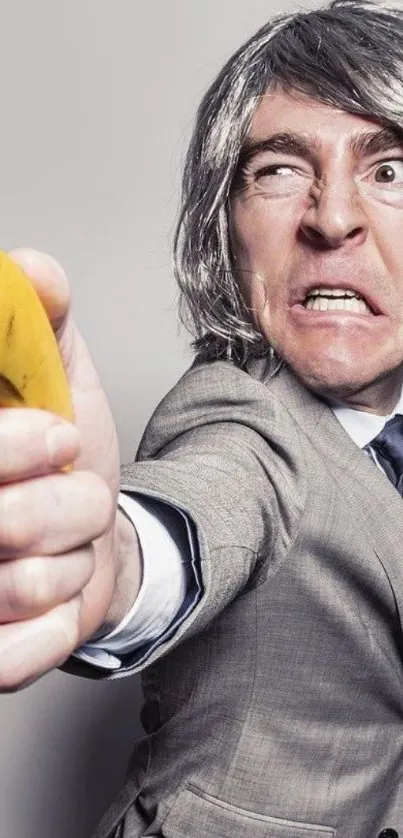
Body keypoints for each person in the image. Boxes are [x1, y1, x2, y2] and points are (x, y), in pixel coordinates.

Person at [2, 0, 403, 835]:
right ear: (224, 226)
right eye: (279, 170)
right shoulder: (237, 420)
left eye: (389, 171)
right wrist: (102, 561)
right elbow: (197, 510)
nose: (332, 217)